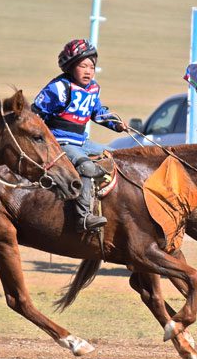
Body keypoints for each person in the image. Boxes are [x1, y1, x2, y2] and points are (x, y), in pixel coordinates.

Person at [32, 39, 126, 232]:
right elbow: (35, 117)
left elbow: (98, 112)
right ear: (70, 67)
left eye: (92, 67)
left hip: (82, 141)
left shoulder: (93, 88)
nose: (88, 71)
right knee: (86, 167)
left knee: (119, 158)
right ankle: (83, 217)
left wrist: (116, 124)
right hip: (59, 142)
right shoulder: (58, 88)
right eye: (83, 66)